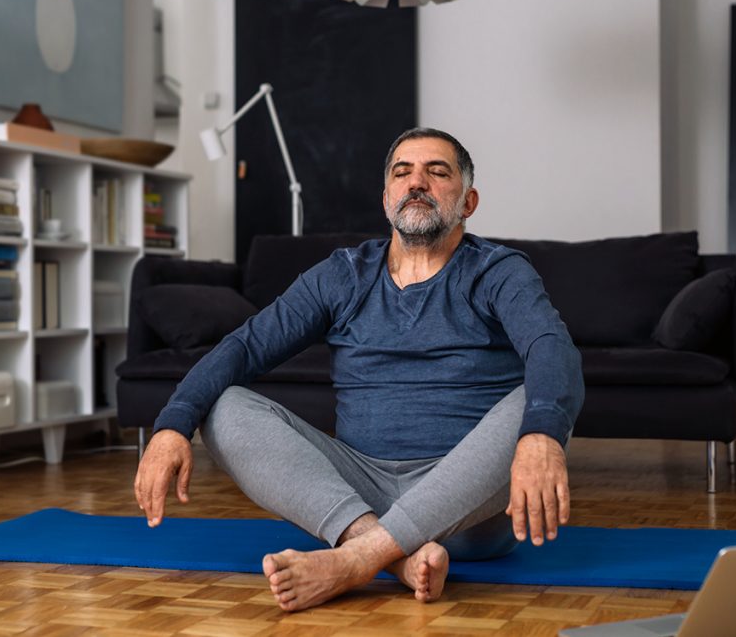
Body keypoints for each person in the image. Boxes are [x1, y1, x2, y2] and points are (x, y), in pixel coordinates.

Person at [134, 127, 584, 611]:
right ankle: (391, 553)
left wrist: (541, 436)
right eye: (402, 172)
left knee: (539, 400)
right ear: (386, 197)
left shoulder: (499, 270)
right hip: (358, 495)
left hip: (468, 513)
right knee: (223, 406)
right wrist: (170, 426)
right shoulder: (343, 273)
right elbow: (245, 347)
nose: (417, 183)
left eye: (437, 172)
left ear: (469, 201)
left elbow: (550, 347)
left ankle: (354, 560)